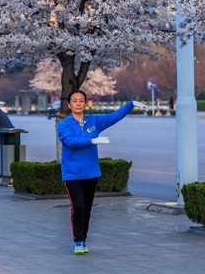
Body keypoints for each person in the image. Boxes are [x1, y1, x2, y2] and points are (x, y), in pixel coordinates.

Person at [57, 90, 147, 255]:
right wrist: (91, 140)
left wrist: (131, 104)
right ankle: (77, 241)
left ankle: (83, 239)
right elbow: (69, 141)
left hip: (91, 173)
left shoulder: (94, 121)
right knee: (78, 206)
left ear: (85, 103)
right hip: (72, 174)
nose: (78, 103)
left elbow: (114, 117)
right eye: (74, 101)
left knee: (88, 208)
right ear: (69, 105)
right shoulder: (64, 124)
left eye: (81, 100)